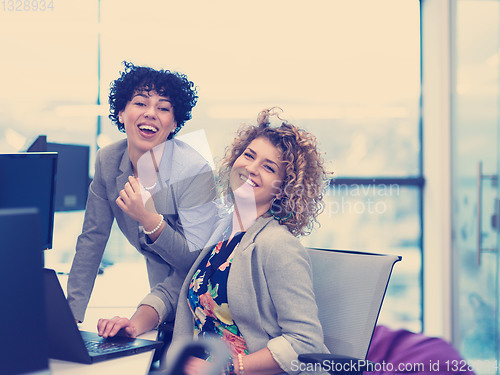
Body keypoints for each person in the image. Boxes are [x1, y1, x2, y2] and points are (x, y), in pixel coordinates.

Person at [166, 107, 330, 374]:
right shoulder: (221, 229)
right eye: (249, 155)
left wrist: (229, 367)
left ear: (283, 189)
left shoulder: (279, 245)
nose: (251, 168)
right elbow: (181, 282)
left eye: (268, 167)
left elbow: (305, 343)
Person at [67, 61, 216, 336]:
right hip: (161, 284)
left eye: (163, 108)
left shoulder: (194, 171)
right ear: (121, 113)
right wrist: (69, 318)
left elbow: (194, 261)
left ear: (174, 124)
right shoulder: (109, 160)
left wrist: (149, 219)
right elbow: (92, 239)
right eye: (140, 103)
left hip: (207, 290)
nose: (151, 114)